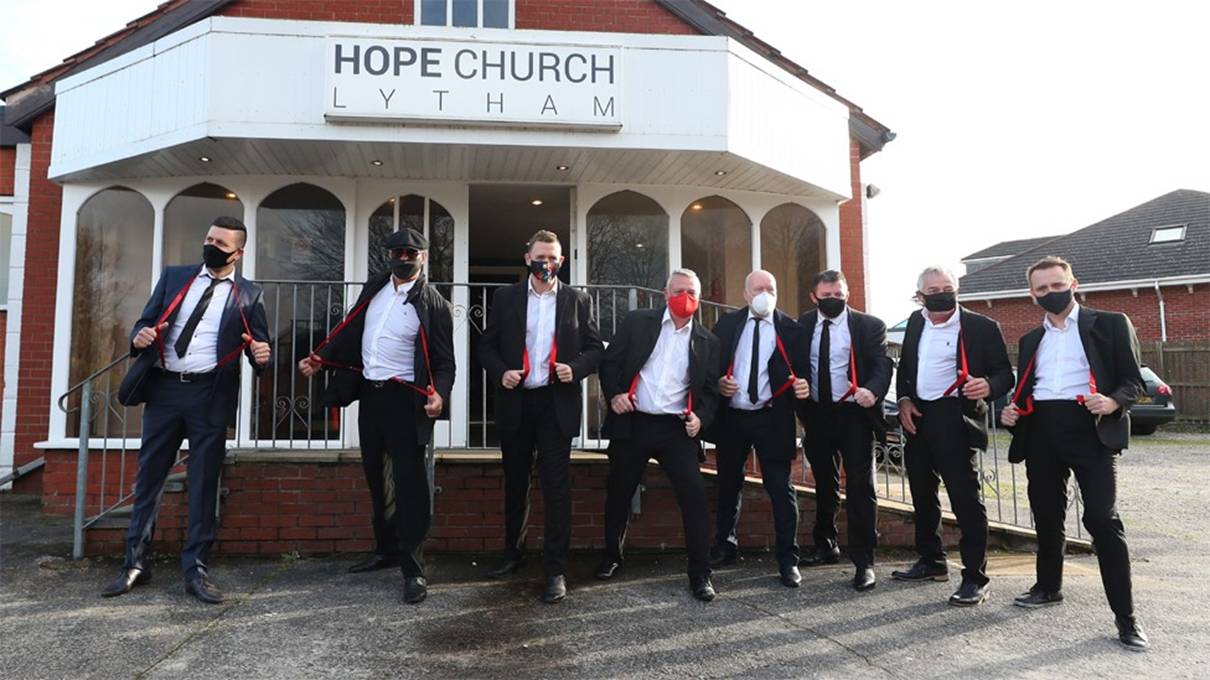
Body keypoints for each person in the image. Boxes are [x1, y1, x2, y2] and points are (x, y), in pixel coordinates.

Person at [106, 216, 270, 604]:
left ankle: (195, 569)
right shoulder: (174, 277)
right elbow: (144, 323)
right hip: (163, 391)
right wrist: (139, 334)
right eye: (208, 237)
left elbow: (258, 347)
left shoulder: (249, 294)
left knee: (203, 483)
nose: (211, 245)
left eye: (221, 243)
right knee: (149, 478)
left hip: (209, 396)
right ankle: (135, 563)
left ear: (238, 253)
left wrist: (261, 355)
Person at [298, 227, 455, 605]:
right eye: (397, 252)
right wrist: (322, 359)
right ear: (389, 256)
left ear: (424, 258)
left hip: (406, 402)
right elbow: (350, 332)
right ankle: (385, 549)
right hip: (372, 396)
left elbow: (446, 363)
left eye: (411, 253)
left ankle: (413, 568)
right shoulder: (375, 289)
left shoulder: (434, 304)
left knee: (410, 484)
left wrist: (440, 396)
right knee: (375, 476)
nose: (404, 258)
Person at [1000, 256, 1148, 650]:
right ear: (1032, 294)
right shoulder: (1031, 339)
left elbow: (1134, 380)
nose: (1051, 293)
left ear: (1073, 283)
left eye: (1057, 284)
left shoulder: (1111, 323)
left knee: (1102, 519)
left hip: (1091, 431)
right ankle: (1048, 588)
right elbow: (1028, 387)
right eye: (1042, 289)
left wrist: (1114, 402)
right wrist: (1012, 409)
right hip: (1043, 432)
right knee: (1047, 515)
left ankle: (1126, 618)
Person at [478, 230, 604, 604]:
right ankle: (512, 554)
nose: (545, 263)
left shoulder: (578, 300)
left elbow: (596, 348)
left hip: (555, 404)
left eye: (552, 258)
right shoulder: (506, 298)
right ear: (527, 257)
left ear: (561, 262)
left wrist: (577, 368)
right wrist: (501, 371)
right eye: (540, 256)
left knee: (556, 488)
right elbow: (486, 346)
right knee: (516, 483)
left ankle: (555, 569)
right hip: (517, 401)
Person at [594, 269, 721, 602]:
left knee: (694, 497)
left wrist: (701, 419)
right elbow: (609, 364)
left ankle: (700, 574)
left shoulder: (708, 341)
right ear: (666, 293)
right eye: (679, 290)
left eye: (692, 292)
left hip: (676, 429)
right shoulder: (638, 322)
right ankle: (611, 556)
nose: (685, 297)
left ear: (699, 295)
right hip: (634, 422)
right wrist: (615, 395)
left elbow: (710, 393)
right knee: (618, 492)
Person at [890, 266, 1014, 606]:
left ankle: (976, 577)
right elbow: (906, 367)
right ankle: (932, 561)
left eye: (947, 287)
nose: (941, 292)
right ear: (921, 294)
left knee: (965, 499)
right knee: (921, 492)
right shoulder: (915, 322)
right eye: (934, 288)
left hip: (956, 417)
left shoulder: (981, 326)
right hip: (919, 416)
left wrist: (988, 385)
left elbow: (1004, 374)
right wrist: (903, 401)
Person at [707, 270, 811, 587]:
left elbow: (804, 372)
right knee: (727, 485)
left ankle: (788, 560)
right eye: (758, 288)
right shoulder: (726, 325)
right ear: (745, 294)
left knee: (781, 490)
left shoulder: (791, 330)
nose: (765, 293)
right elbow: (708, 367)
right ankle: (724, 547)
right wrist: (718, 383)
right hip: (733, 418)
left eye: (771, 288)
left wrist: (804, 387)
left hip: (772, 418)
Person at [795, 270, 892, 591]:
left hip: (854, 414)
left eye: (839, 295)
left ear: (847, 294)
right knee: (824, 483)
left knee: (861, 487)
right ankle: (825, 544)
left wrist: (873, 390)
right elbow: (793, 364)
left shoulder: (869, 326)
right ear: (814, 297)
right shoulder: (803, 325)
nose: (834, 301)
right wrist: (796, 384)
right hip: (818, 414)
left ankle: (864, 561)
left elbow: (881, 364)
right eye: (827, 297)